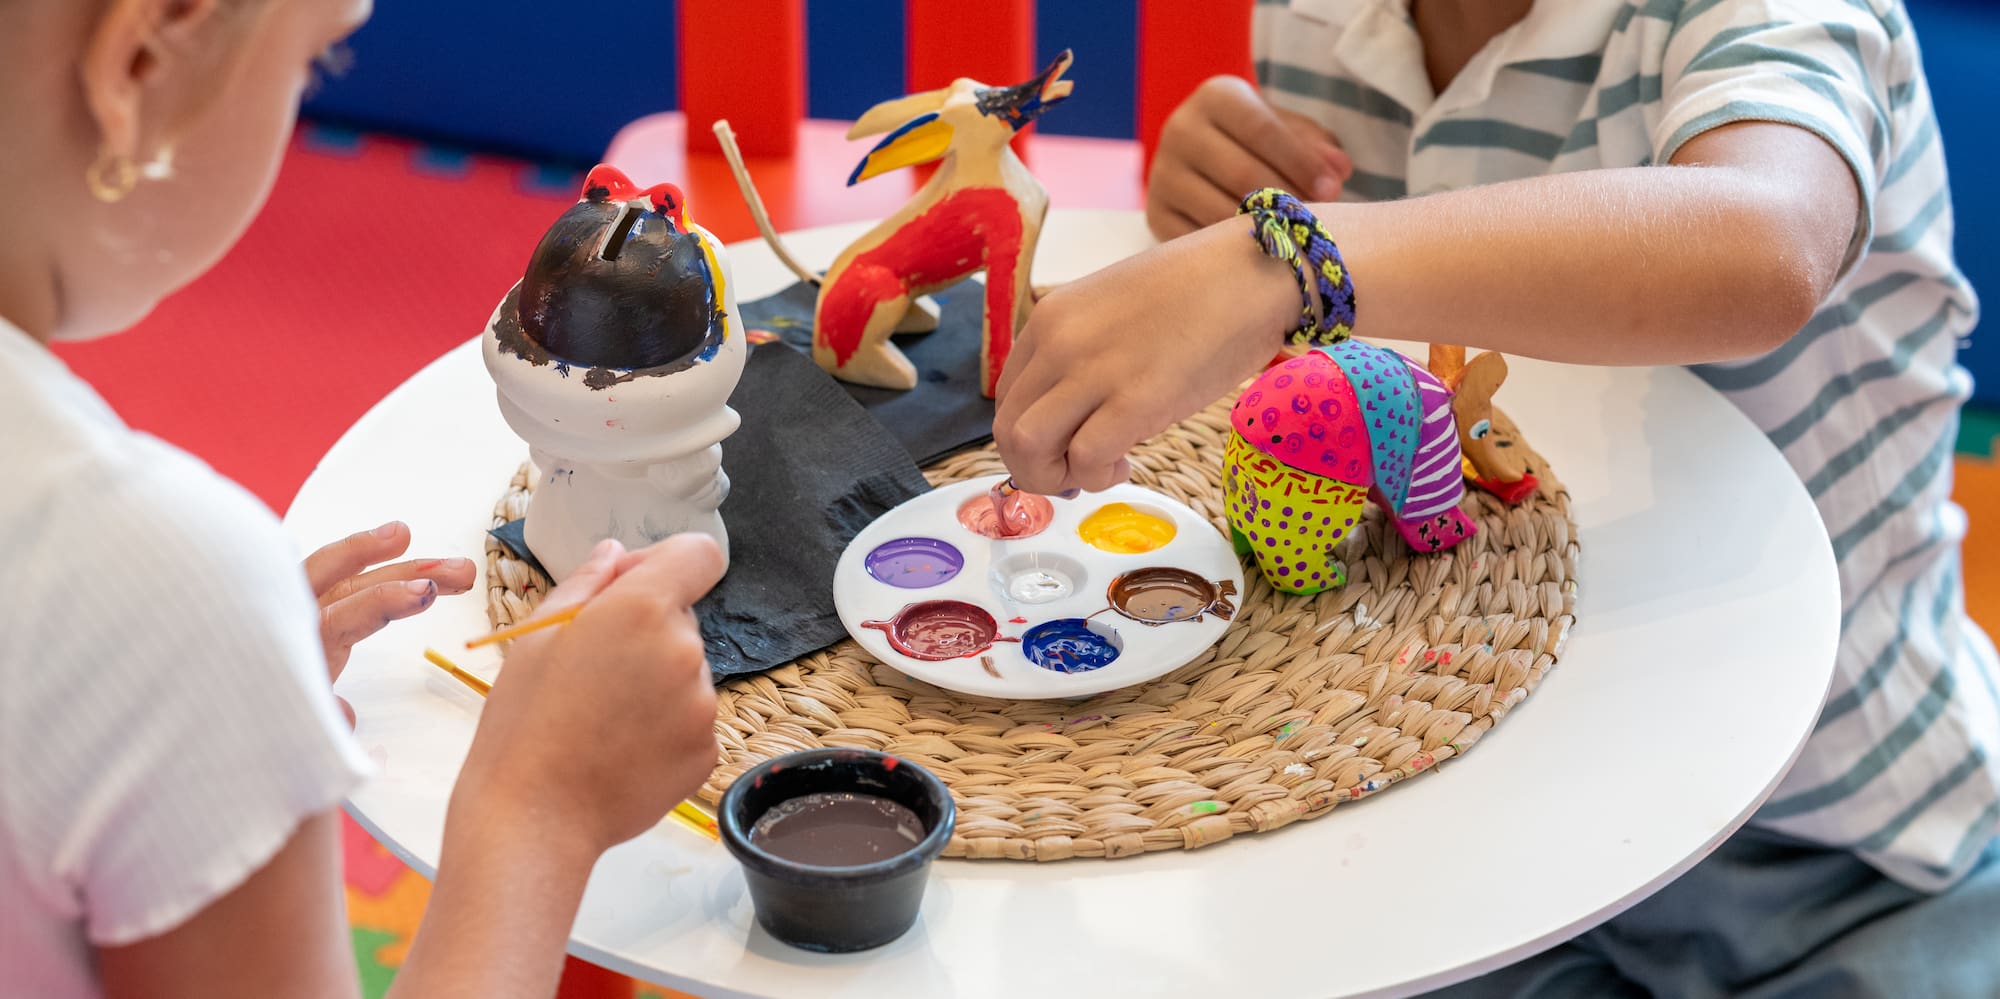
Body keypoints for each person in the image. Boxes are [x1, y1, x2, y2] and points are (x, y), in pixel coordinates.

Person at [994, 0, 2000, 994]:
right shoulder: (1314, 17)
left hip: (1833, 857)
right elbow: (1349, 334)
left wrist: (1286, 258)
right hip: (1475, 817)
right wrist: (1230, 202)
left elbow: (1764, 244)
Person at [0, 1, 724, 996]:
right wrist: (535, 814)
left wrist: (206, 712)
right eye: (315, 57)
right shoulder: (150, 591)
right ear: (138, 59)